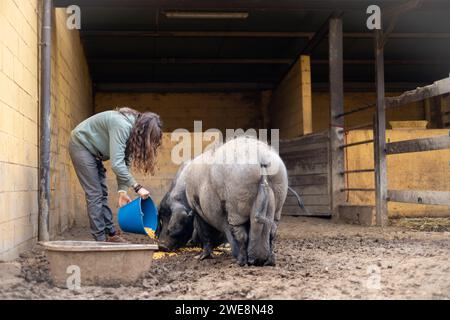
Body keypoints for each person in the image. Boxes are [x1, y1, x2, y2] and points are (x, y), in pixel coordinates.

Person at [69, 107, 163, 242]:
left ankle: (110, 233)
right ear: (144, 131)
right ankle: (100, 239)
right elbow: (117, 164)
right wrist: (137, 187)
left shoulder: (133, 131)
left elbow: (125, 162)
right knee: (95, 194)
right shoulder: (122, 125)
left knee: (102, 193)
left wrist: (122, 191)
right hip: (81, 146)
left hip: (94, 153)